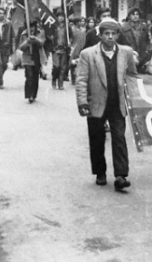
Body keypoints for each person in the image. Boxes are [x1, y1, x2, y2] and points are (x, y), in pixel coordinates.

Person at [75, 18, 137, 191]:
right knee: (97, 139)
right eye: (106, 34)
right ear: (100, 35)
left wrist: (133, 99)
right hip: (95, 104)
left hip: (117, 104)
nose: (110, 37)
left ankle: (121, 175)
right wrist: (82, 102)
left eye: (113, 33)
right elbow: (81, 80)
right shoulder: (88, 54)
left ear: (118, 35)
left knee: (119, 138)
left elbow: (132, 76)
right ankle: (100, 172)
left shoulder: (127, 53)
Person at [18, 20, 46, 103]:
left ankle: (34, 94)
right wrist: (27, 41)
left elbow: (41, 43)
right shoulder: (24, 34)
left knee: (35, 76)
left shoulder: (40, 32)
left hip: (37, 57)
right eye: (30, 26)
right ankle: (29, 95)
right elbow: (21, 47)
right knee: (29, 76)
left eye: (33, 26)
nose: (32, 28)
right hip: (27, 58)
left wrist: (35, 39)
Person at [50, 10, 70, 90]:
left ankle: (60, 84)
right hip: (55, 49)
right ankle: (54, 79)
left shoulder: (67, 28)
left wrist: (70, 42)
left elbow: (70, 37)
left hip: (64, 49)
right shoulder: (53, 26)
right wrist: (50, 38)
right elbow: (48, 35)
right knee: (56, 66)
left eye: (62, 16)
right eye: (59, 16)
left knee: (62, 67)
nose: (61, 18)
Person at [69, 17, 87, 84]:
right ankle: (73, 78)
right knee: (73, 63)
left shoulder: (83, 30)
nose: (82, 22)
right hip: (74, 48)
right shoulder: (72, 29)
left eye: (83, 21)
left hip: (81, 47)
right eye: (80, 21)